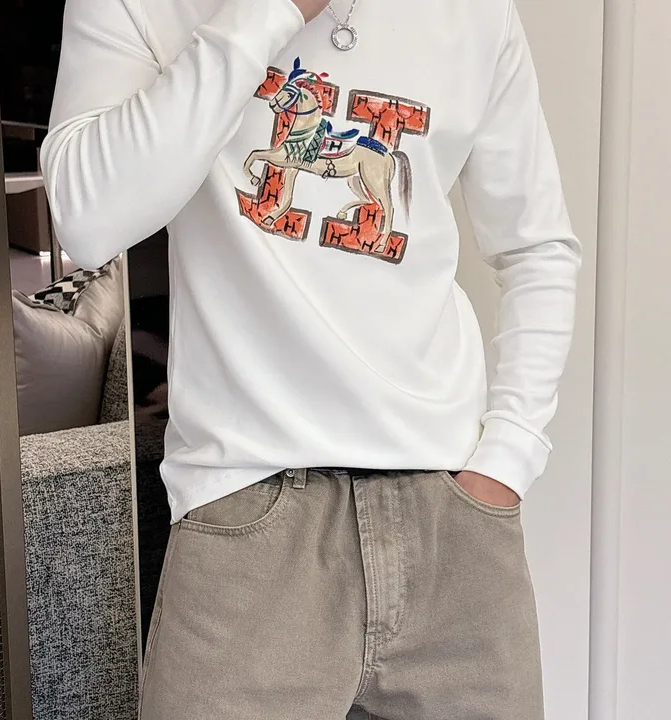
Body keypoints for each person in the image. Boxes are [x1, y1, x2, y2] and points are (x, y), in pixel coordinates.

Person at [42, 0, 581, 717]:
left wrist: (508, 459)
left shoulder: (476, 14)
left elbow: (536, 248)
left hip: (451, 522)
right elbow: (86, 221)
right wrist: (272, 9)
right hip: (247, 520)